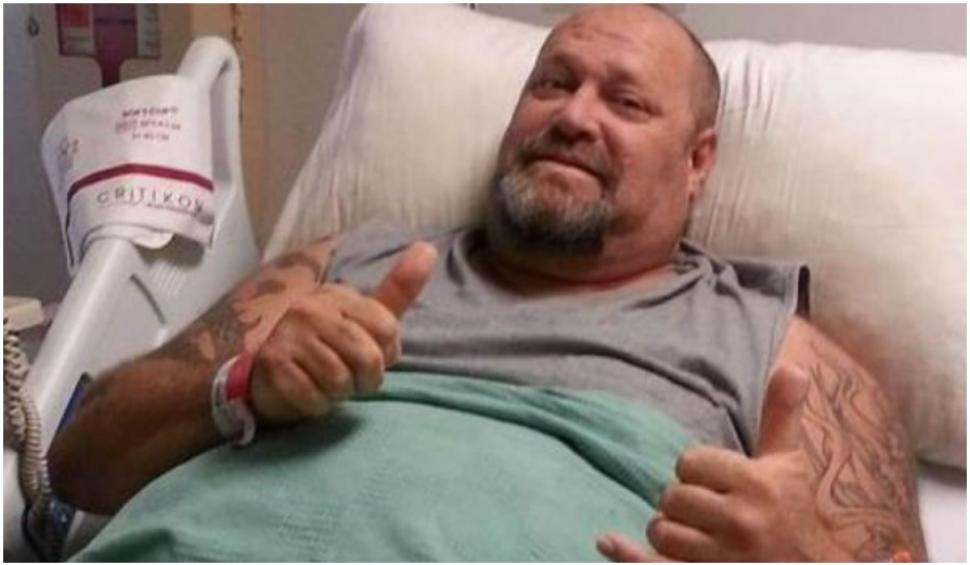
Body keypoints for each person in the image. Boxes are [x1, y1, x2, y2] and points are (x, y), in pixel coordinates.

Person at [49, 5, 925, 562]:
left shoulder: (778, 351)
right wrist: (240, 384)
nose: (574, 115)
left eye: (626, 103)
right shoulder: (342, 263)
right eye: (553, 83)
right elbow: (76, 462)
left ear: (697, 163)